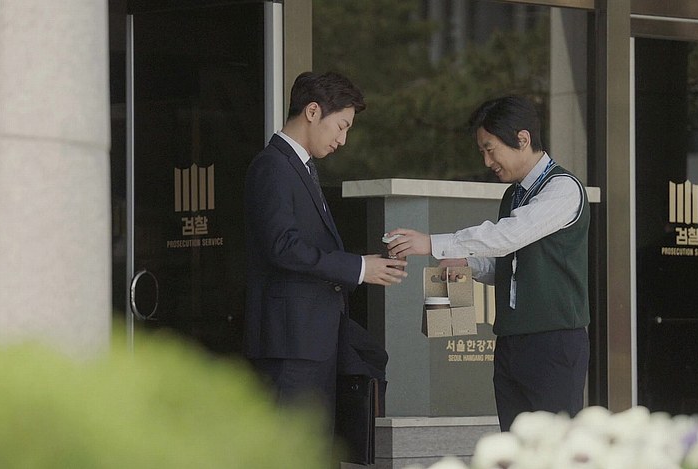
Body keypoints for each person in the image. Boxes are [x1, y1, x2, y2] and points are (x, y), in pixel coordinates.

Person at [385, 95, 590, 432]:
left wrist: (431, 243)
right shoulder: (513, 194)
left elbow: (509, 236)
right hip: (510, 341)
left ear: (522, 139)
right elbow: (509, 264)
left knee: (554, 449)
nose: (486, 161)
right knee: (513, 445)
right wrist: (466, 264)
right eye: (482, 150)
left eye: (490, 149)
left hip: (554, 342)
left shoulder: (563, 188)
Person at [243, 71, 407, 425]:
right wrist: (358, 268)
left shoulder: (299, 167)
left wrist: (365, 264)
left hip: (309, 342)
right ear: (313, 111)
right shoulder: (273, 166)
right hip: (290, 345)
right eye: (341, 126)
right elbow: (283, 246)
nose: (342, 140)